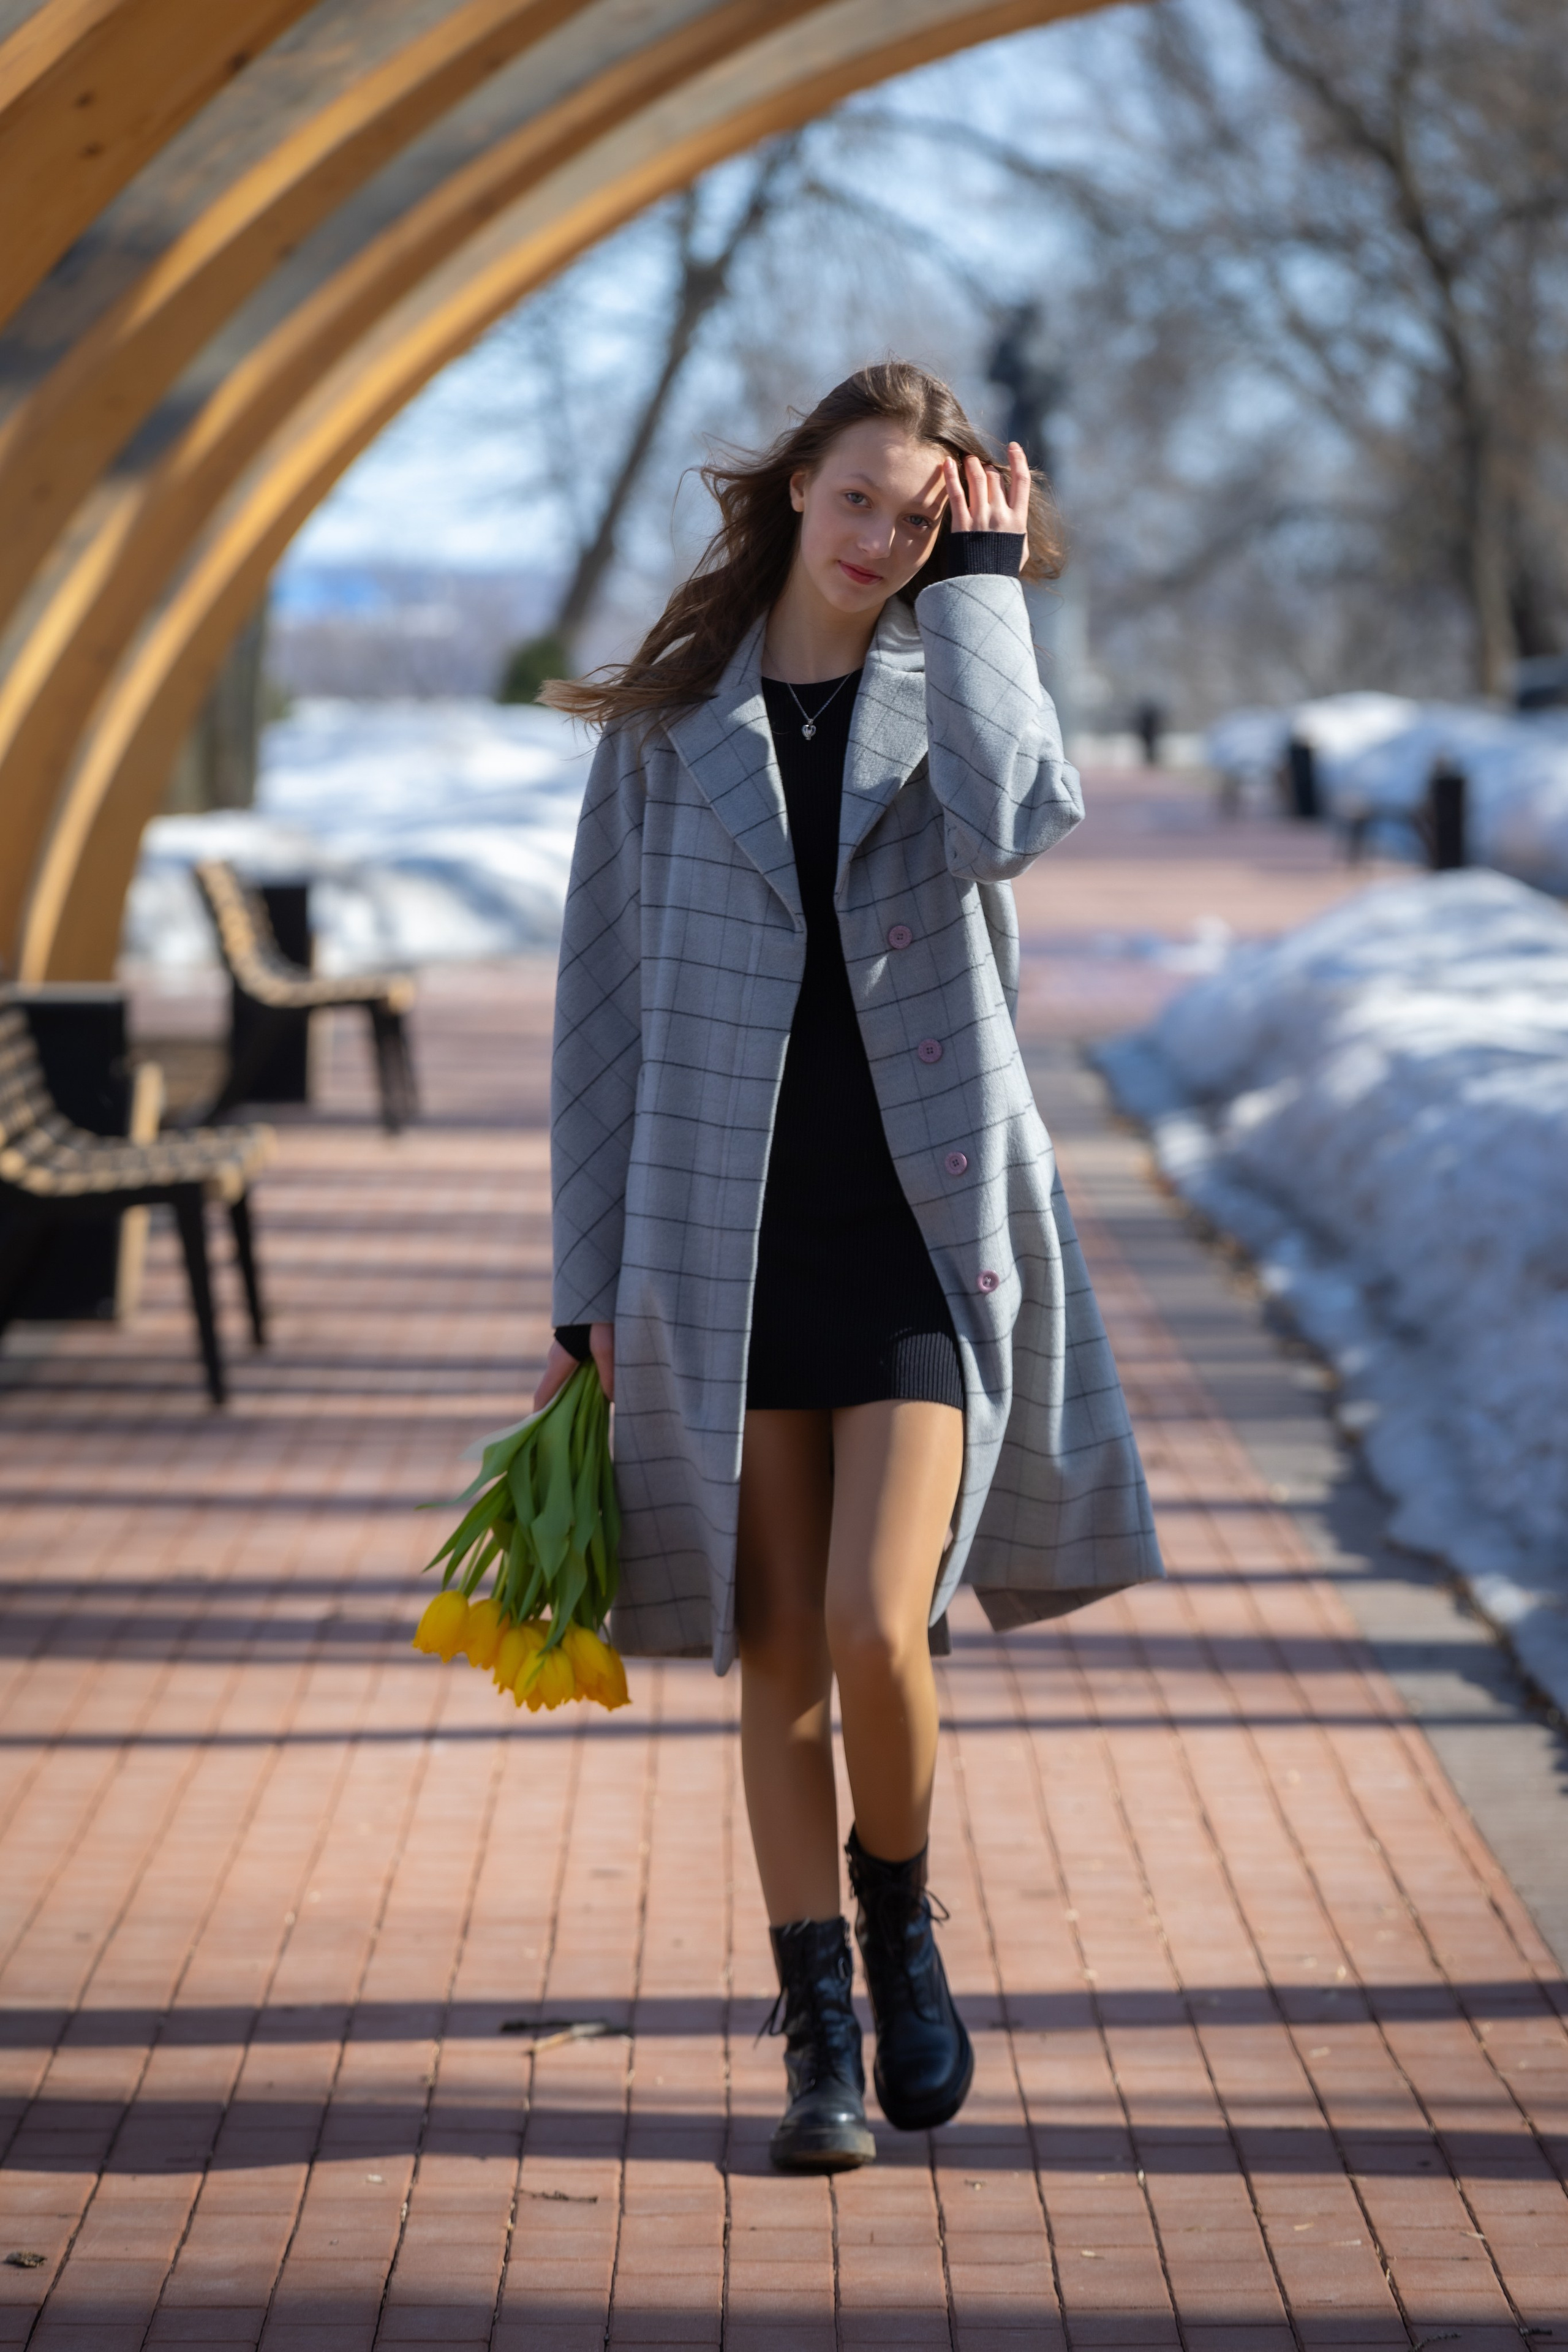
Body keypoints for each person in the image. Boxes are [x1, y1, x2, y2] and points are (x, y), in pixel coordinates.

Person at [534, 362, 1162, 2173]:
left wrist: (987, 593)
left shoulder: (949, 692)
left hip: (919, 1235)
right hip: (713, 1253)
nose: (885, 537)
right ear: (797, 488)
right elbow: (600, 1027)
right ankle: (817, 2029)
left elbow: (1023, 810)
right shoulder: (665, 739)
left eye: (924, 514)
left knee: (888, 1628)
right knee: (777, 1662)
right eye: (865, 501)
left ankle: (903, 1928)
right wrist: (586, 1293)